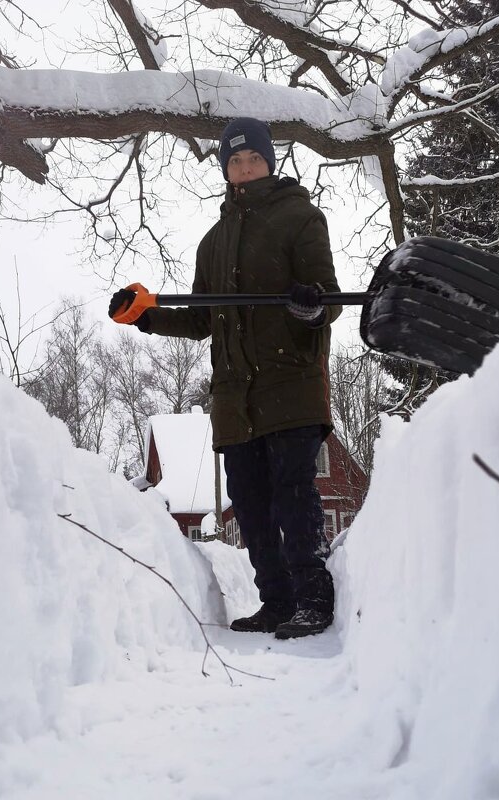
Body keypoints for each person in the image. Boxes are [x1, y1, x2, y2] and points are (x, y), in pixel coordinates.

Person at [109, 117, 341, 639]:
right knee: (252, 504)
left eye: (252, 158)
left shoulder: (300, 218)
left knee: (293, 492)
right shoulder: (212, 242)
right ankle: (277, 601)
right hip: (235, 399)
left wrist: (309, 308)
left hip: (291, 385)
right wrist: (145, 315)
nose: (244, 168)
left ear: (268, 161)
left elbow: (326, 299)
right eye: (234, 161)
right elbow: (198, 318)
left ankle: (313, 597)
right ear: (225, 169)